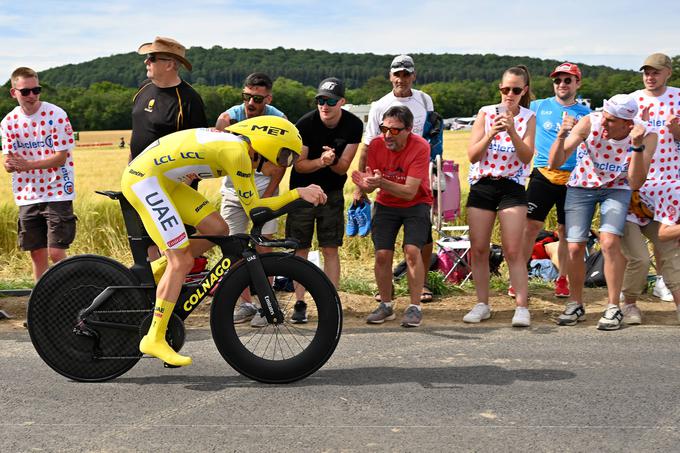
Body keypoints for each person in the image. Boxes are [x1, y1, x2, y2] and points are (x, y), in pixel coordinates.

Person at [120, 116, 327, 367]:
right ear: (268, 145)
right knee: (181, 261)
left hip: (164, 181)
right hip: (145, 180)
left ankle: (158, 272)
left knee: (218, 228)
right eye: (284, 156)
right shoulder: (237, 152)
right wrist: (298, 194)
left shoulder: (239, 149)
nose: (283, 165)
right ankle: (154, 337)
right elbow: (255, 208)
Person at [549, 94, 657, 331]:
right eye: (604, 117)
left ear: (627, 124)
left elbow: (635, 181)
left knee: (609, 243)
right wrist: (561, 135)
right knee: (575, 245)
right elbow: (554, 163)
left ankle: (612, 306)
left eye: (610, 121)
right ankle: (575, 302)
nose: (603, 123)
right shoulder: (590, 121)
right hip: (582, 185)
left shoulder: (646, 135)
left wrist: (637, 147)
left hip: (616, 188)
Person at [354, 54, 436, 303]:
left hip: (419, 168)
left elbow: (433, 134)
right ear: (390, 76)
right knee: (384, 247)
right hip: (389, 173)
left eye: (406, 74)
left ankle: (421, 285)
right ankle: (385, 289)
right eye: (397, 73)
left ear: (413, 75)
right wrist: (360, 187)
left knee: (423, 240)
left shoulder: (424, 99)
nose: (401, 78)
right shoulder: (380, 104)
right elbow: (368, 146)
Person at [462, 65, 536, 327]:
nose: (510, 94)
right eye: (506, 89)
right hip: (483, 184)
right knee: (479, 248)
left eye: (516, 90)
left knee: (513, 249)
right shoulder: (485, 113)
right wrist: (492, 132)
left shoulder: (528, 117)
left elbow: (527, 156)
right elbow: (472, 155)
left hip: (512, 186)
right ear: (500, 89)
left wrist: (513, 131)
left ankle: (521, 306)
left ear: (524, 90)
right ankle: (482, 303)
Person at [285, 77, 363, 323]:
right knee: (301, 248)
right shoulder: (305, 124)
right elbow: (299, 165)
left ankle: (331, 302)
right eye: (320, 100)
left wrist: (332, 161)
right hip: (303, 190)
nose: (324, 105)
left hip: (332, 193)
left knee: (330, 248)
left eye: (329, 101)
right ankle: (300, 302)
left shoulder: (353, 125)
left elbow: (343, 169)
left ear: (342, 101)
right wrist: (321, 161)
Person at [214, 73, 287, 327]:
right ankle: (245, 303)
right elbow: (220, 128)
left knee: (264, 248)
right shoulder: (233, 114)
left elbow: (281, 166)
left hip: (263, 190)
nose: (250, 103)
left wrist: (266, 199)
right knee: (233, 248)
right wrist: (222, 125)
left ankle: (268, 306)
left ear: (268, 98)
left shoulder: (278, 119)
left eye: (257, 98)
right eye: (246, 96)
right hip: (233, 192)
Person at [352, 105, 432, 328]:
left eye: (395, 130)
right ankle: (386, 305)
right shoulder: (376, 145)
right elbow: (371, 187)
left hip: (416, 203)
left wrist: (381, 183)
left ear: (408, 130)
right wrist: (364, 184)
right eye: (384, 128)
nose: (387, 135)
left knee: (412, 251)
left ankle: (415, 307)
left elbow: (409, 191)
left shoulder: (420, 146)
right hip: (386, 203)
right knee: (382, 255)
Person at [520, 63, 591, 299]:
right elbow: (516, 100)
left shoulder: (586, 115)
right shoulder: (539, 106)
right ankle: (518, 276)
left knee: (566, 232)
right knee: (530, 227)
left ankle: (563, 279)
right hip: (544, 174)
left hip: (573, 179)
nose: (562, 84)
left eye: (568, 80)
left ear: (578, 83)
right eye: (557, 80)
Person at [1, 67, 77, 281]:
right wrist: (10, 166)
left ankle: (72, 293)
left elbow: (61, 157)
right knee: (37, 252)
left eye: (36, 90)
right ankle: (41, 302)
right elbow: (10, 161)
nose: (32, 95)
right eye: (25, 91)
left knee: (56, 251)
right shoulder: (8, 122)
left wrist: (27, 166)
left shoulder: (56, 114)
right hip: (27, 193)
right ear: (13, 92)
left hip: (58, 190)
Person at [621, 52, 680, 313]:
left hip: (670, 181)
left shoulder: (678, 97)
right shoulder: (634, 99)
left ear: (668, 72)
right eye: (646, 72)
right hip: (638, 183)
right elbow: (620, 137)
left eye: (655, 72)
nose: (649, 76)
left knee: (668, 246)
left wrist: (676, 130)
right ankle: (629, 299)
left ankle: (664, 284)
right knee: (638, 254)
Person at [129, 36, 207, 162]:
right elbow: (138, 131)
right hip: (136, 175)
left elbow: (200, 146)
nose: (146, 61)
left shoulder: (190, 100)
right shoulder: (144, 86)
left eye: (152, 58)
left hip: (169, 180)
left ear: (169, 65)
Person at [622, 179, 680, 324]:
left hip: (652, 213)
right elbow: (663, 234)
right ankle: (629, 306)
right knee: (641, 259)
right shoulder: (676, 192)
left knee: (672, 250)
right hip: (627, 210)